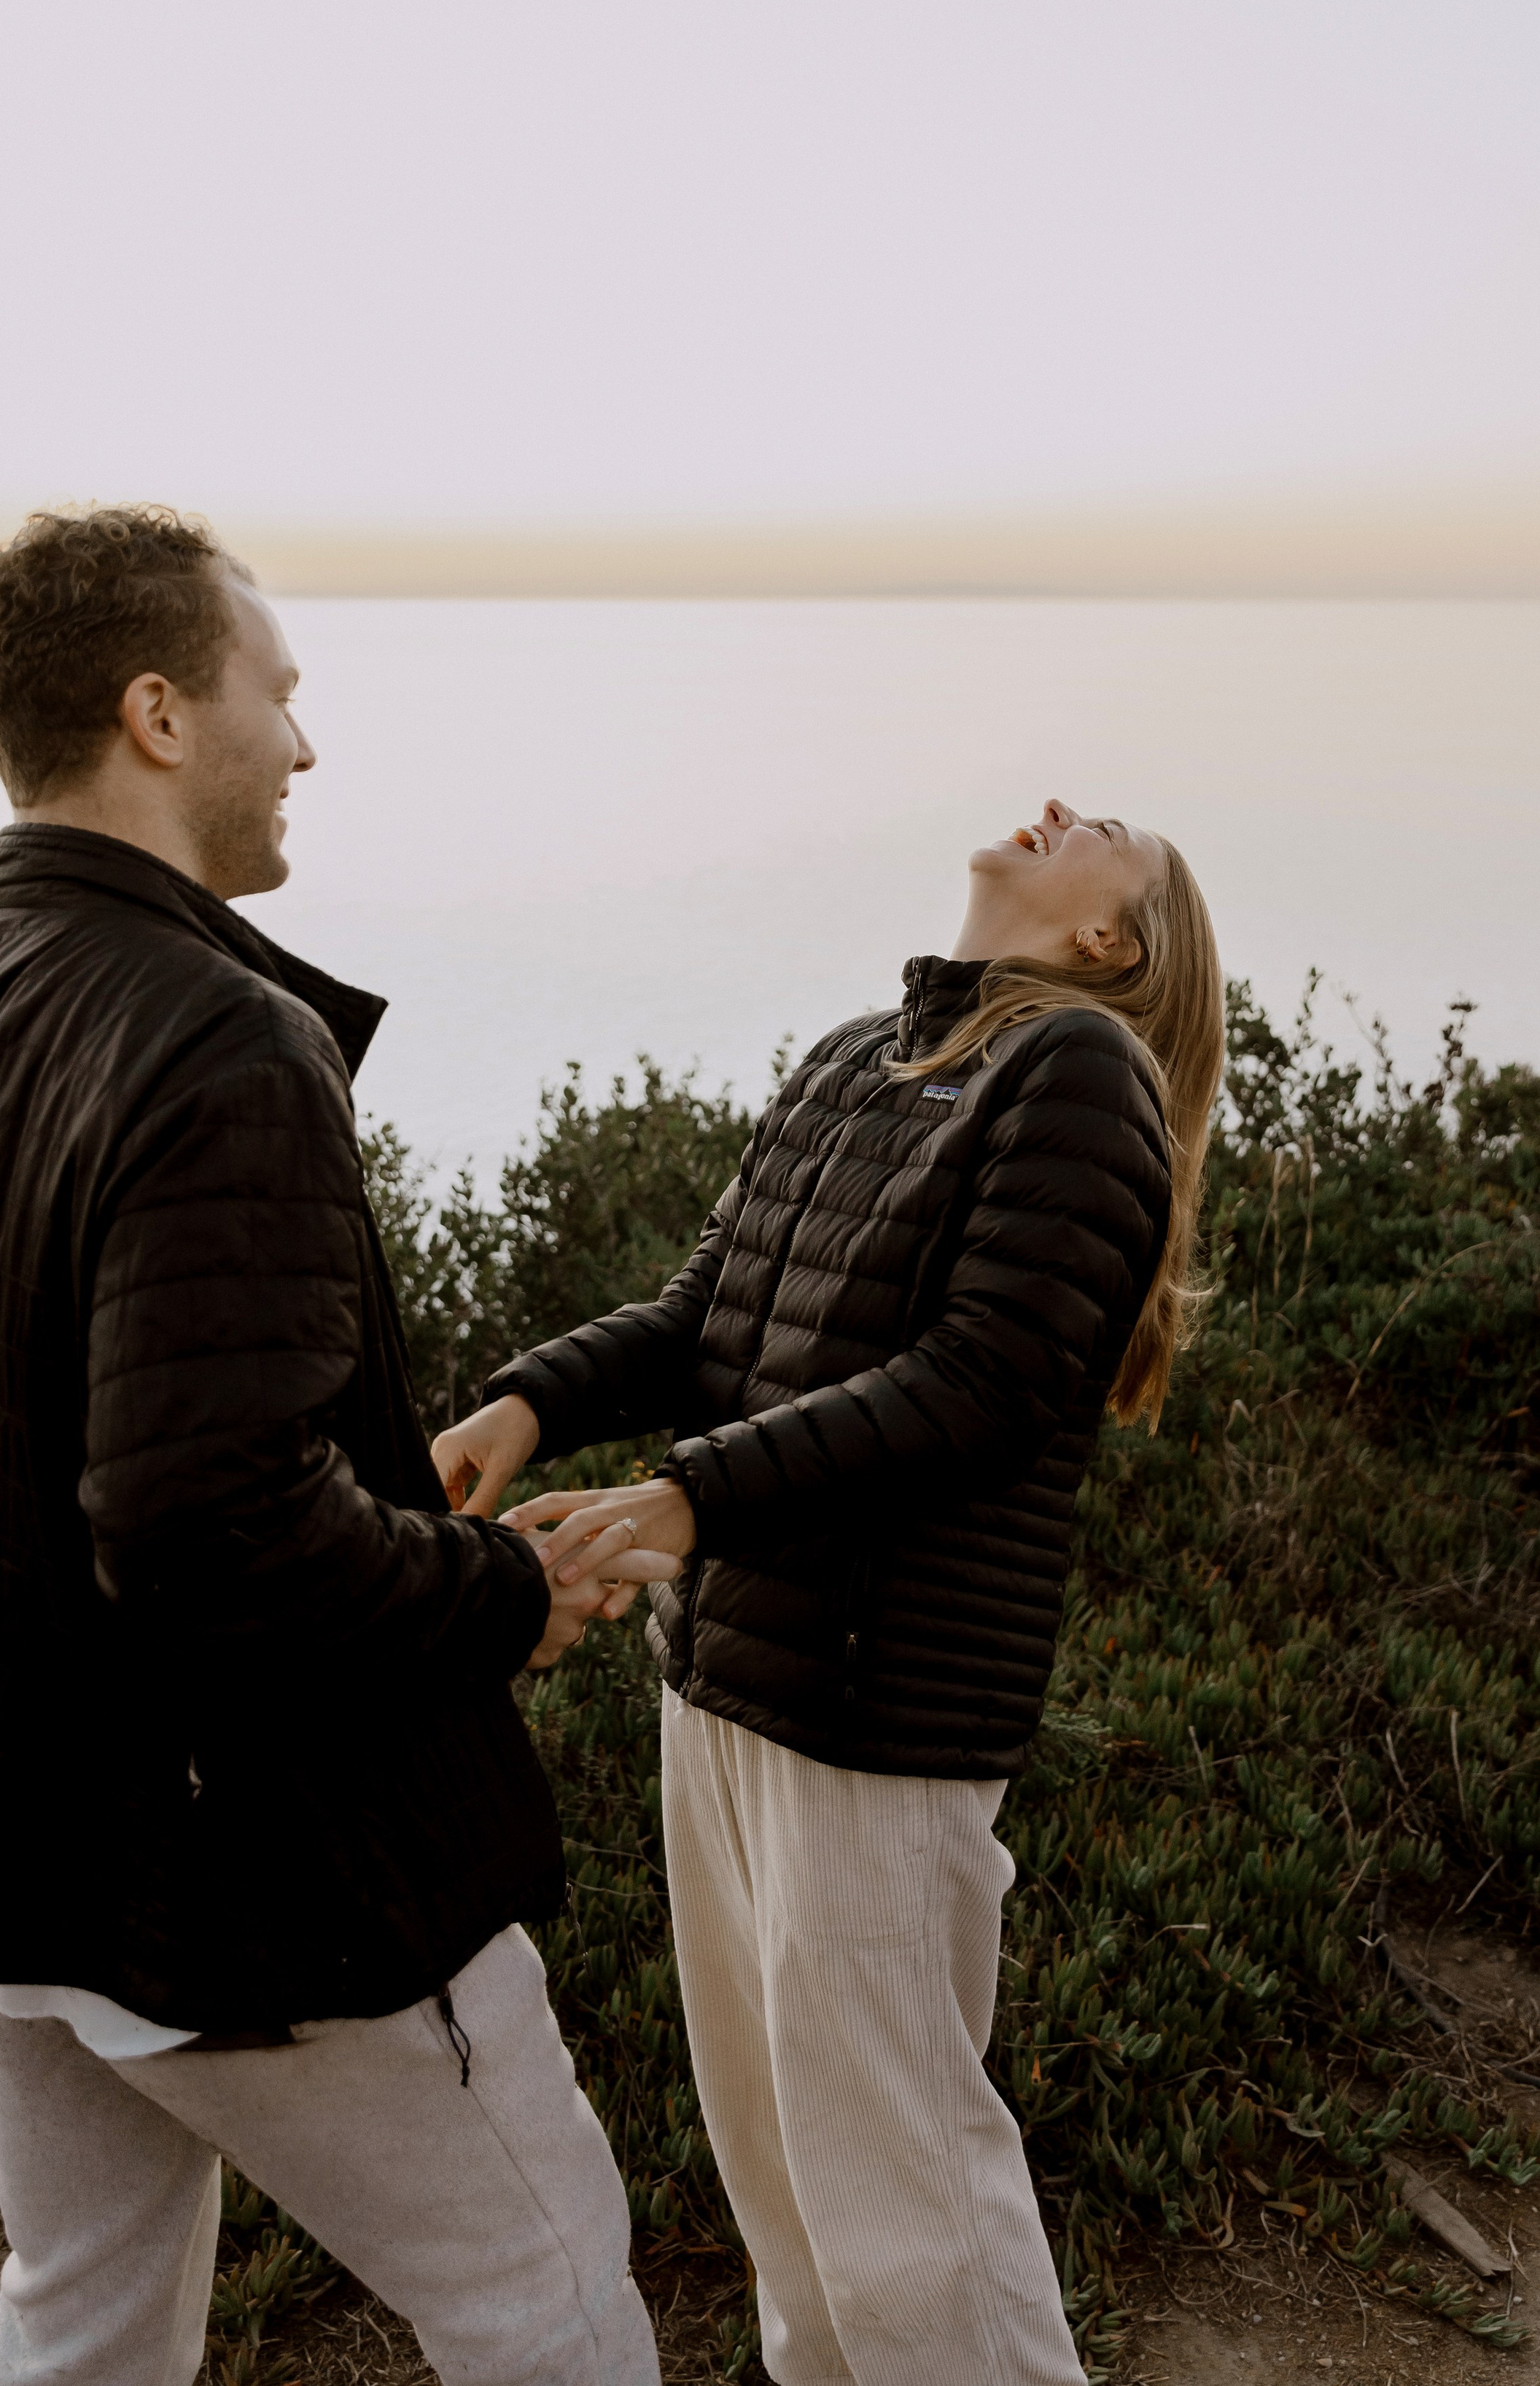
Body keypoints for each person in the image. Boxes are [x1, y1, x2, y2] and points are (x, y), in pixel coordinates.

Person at [0, 505, 676, 2386]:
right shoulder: (224, 1037)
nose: (306, 745)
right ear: (159, 713)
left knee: (79, 2322)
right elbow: (200, 1523)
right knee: (550, 2299)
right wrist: (500, 1589)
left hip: (5, 1848)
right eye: (282, 691)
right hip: (244, 1872)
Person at [436, 797, 1224, 2386]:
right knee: (789, 2198)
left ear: (1108, 939)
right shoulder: (862, 1052)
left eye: (1108, 827)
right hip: (729, 1677)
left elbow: (984, 1382)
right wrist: (525, 1398)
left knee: (908, 2208)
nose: (1059, 802)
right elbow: (704, 1311)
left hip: (881, 1706)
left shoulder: (1076, 1069)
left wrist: (689, 1493)